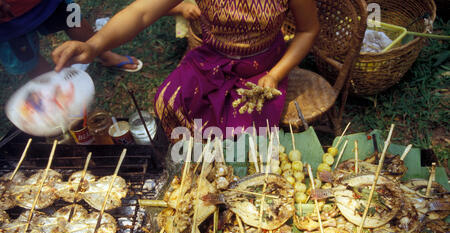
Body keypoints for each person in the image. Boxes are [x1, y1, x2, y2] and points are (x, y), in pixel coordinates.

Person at [51, 0, 319, 140]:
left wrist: (275, 74)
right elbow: (142, 11)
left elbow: (308, 30)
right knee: (169, 104)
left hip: (263, 68)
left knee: (242, 133)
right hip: (212, 59)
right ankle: (194, 174)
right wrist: (94, 45)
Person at [0, 0, 142, 78]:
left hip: (49, 2)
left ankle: (105, 55)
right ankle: (54, 88)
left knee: (75, 21)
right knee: (27, 57)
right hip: (5, 22)